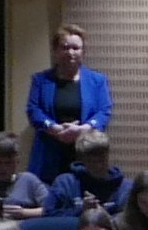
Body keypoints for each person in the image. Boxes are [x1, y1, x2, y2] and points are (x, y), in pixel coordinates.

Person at [23, 23, 111, 183]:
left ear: (83, 51)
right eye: (65, 47)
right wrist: (54, 128)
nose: (70, 52)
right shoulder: (40, 80)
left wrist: (83, 130)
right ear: (55, 51)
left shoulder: (98, 80)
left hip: (87, 152)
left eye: (75, 48)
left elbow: (104, 111)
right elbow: (33, 110)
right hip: (49, 155)